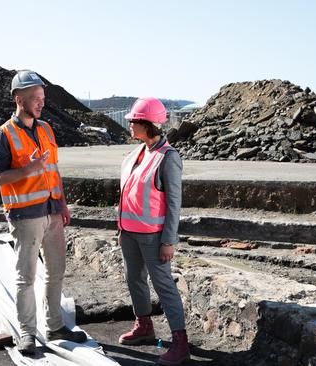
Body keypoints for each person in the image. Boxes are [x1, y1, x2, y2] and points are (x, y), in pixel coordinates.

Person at [0, 70, 87, 355]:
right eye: (35, 98)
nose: (40, 102)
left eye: (42, 97)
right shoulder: (4, 134)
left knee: (56, 270)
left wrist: (63, 204)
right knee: (26, 277)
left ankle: (55, 325)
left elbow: (54, 171)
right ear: (18, 99)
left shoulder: (46, 129)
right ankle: (27, 334)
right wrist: (28, 170)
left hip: (53, 212)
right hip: (25, 216)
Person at [117, 97, 189, 365]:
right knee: (133, 277)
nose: (130, 125)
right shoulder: (136, 154)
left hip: (153, 236)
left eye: (134, 121)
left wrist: (168, 241)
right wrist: (121, 227)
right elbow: (127, 194)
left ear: (148, 124)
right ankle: (144, 326)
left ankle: (180, 343)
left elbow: (174, 203)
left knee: (164, 285)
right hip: (130, 232)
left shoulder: (168, 158)